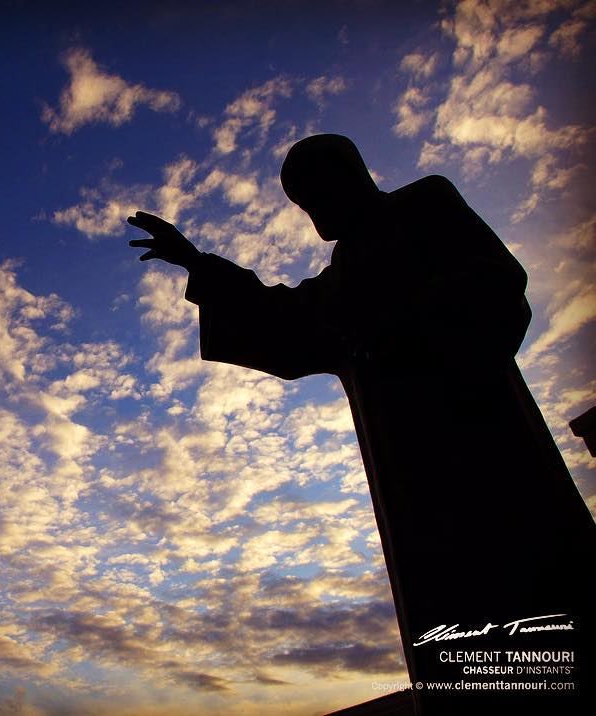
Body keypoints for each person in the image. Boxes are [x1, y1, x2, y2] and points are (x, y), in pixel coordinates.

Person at [128, 134, 595, 711]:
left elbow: (498, 285)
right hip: (413, 485)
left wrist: (409, 342)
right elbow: (288, 320)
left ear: (349, 176)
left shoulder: (425, 206)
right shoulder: (344, 274)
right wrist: (197, 263)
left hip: (488, 451)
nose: (312, 214)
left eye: (313, 195)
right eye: (301, 203)